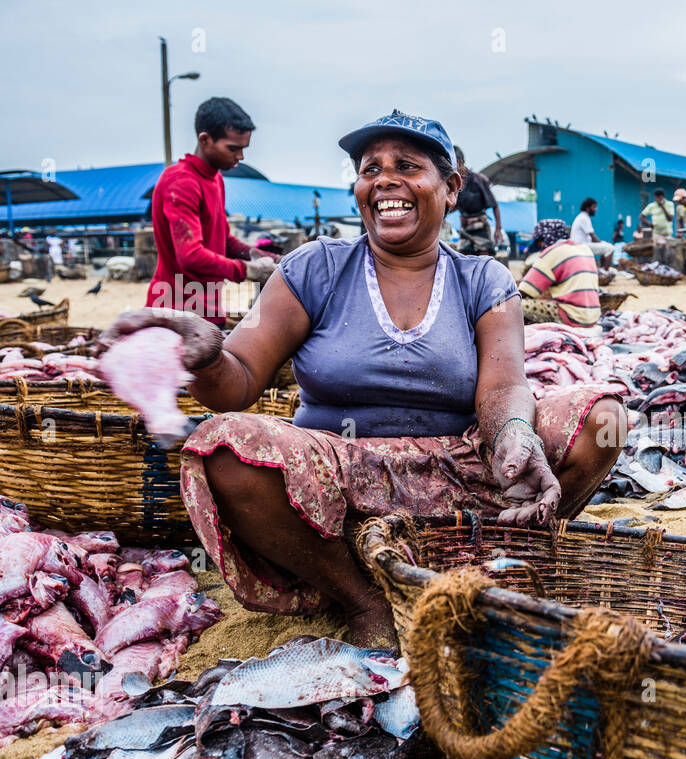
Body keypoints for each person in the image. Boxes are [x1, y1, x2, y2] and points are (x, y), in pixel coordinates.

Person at [97, 110, 626, 647]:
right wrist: (207, 354)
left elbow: (503, 384)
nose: (384, 180)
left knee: (602, 417)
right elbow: (237, 383)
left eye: (407, 166)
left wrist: (514, 430)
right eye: (369, 169)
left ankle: (494, 557)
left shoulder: (482, 277)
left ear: (450, 187)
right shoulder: (312, 268)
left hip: (458, 466)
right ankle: (360, 597)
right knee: (226, 447)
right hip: (336, 467)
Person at [147, 97, 278, 324]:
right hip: (176, 313)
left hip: (207, 310)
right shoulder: (181, 182)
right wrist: (248, 270)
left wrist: (273, 260)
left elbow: (222, 241)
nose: (240, 157)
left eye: (243, 149)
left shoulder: (215, 178)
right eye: (233, 148)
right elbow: (191, 256)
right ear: (205, 139)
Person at [518, 218, 600, 328]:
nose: (540, 247)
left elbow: (524, 291)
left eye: (539, 243)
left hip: (572, 315)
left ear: (545, 238)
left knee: (511, 305)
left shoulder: (552, 252)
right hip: (593, 315)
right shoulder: (584, 249)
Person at [452, 145, 504, 257]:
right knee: (464, 258)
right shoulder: (454, 183)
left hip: (480, 226)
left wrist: (498, 230)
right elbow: (454, 205)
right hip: (465, 227)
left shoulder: (479, 180)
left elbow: (495, 206)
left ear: (460, 162)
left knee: (484, 257)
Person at [569, 198, 613, 265]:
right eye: (594, 207)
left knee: (605, 246)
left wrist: (602, 243)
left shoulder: (582, 216)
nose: (596, 209)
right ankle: (605, 271)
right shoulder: (584, 217)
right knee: (610, 248)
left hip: (580, 244)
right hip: (581, 245)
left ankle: (602, 269)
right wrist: (602, 243)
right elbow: (593, 237)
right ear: (587, 208)